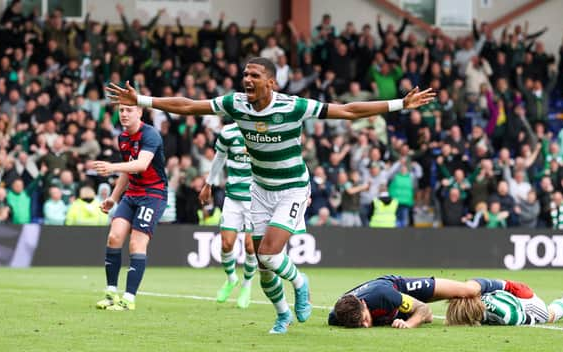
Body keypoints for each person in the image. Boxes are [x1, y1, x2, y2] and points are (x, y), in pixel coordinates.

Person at [106, 56, 435, 333]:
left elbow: (348, 110)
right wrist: (142, 100)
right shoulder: (235, 104)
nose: (246, 79)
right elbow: (189, 106)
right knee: (265, 270)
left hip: (292, 188)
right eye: (245, 74)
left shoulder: (293, 107)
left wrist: (399, 104)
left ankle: (301, 282)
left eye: (254, 75)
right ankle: (282, 314)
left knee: (267, 254)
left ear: (271, 83)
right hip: (259, 189)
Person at [92, 103, 168, 311]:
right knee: (114, 237)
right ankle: (110, 293)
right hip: (132, 193)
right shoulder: (123, 138)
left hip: (153, 195)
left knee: (136, 244)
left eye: (129, 110)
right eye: (121, 110)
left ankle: (128, 299)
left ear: (140, 112)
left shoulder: (150, 135)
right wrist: (114, 198)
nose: (124, 114)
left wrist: (111, 167)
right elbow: (128, 171)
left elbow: (141, 165)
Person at [199, 122, 257, 309]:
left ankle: (247, 285)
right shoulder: (228, 132)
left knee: (250, 246)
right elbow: (219, 158)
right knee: (226, 244)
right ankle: (231, 279)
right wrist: (208, 184)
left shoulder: (262, 131)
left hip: (256, 199)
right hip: (232, 197)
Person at [328, 275, 506, 328]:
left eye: (365, 319)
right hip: (394, 307)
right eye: (361, 324)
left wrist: (410, 324)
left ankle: (506, 285)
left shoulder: (384, 295)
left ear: (365, 304)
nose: (366, 325)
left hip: (400, 288)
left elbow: (425, 311)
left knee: (467, 291)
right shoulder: (338, 315)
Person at [446, 282, 563, 326]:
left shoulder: (507, 315)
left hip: (527, 303)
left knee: (549, 316)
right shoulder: (474, 302)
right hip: (510, 294)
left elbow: (528, 320)